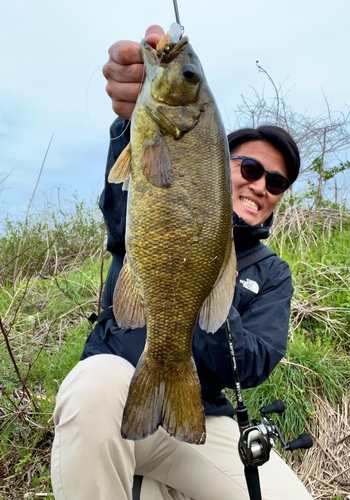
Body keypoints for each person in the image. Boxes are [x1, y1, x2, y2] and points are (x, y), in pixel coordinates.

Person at [50, 25, 313, 500]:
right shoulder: (159, 151)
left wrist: (208, 285)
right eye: (250, 169)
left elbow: (251, 365)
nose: (261, 186)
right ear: (215, 157)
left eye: (276, 183)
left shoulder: (272, 274)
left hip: (200, 419)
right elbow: (119, 213)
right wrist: (127, 123)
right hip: (118, 401)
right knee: (93, 385)